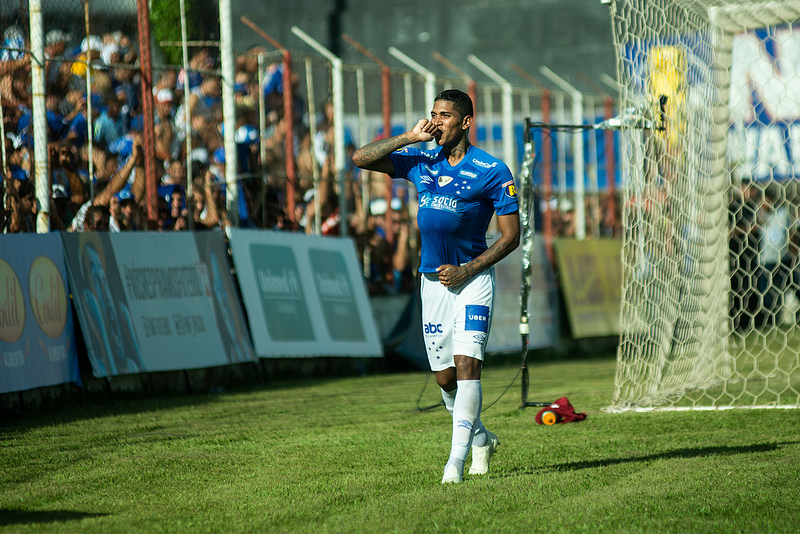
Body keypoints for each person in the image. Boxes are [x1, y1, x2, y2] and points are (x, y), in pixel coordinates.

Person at [352, 89, 520, 484]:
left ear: (465, 122)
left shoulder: (493, 170)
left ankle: (454, 464)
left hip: (473, 281)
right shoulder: (421, 159)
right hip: (432, 284)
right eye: (433, 113)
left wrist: (468, 269)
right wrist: (409, 137)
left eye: (444, 115)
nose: (436, 120)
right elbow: (361, 158)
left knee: (467, 368)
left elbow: (511, 236)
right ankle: (481, 438)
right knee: (445, 379)